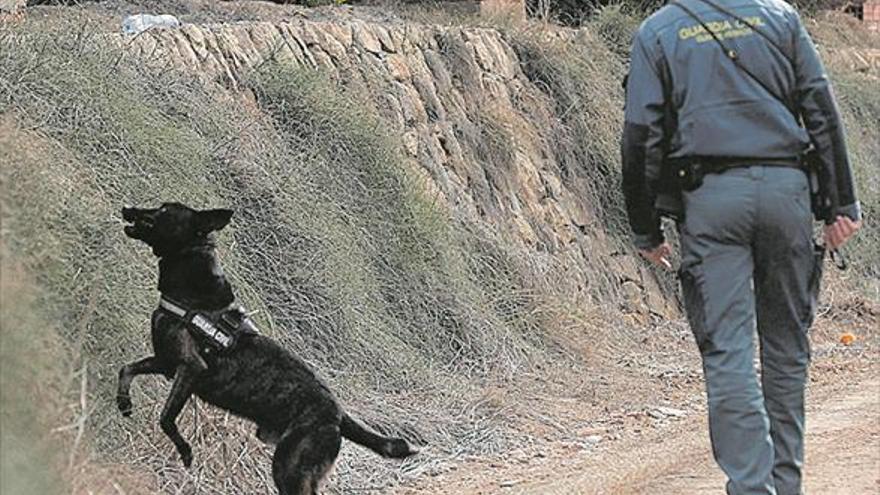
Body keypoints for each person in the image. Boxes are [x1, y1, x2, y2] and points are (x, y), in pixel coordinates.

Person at [620, 0, 862, 493]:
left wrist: (646, 228)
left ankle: (752, 487)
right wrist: (841, 204)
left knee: (728, 349)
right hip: (787, 194)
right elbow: (819, 104)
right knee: (787, 347)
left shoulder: (659, 30)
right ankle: (785, 485)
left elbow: (641, 133)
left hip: (711, 201)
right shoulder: (782, 18)